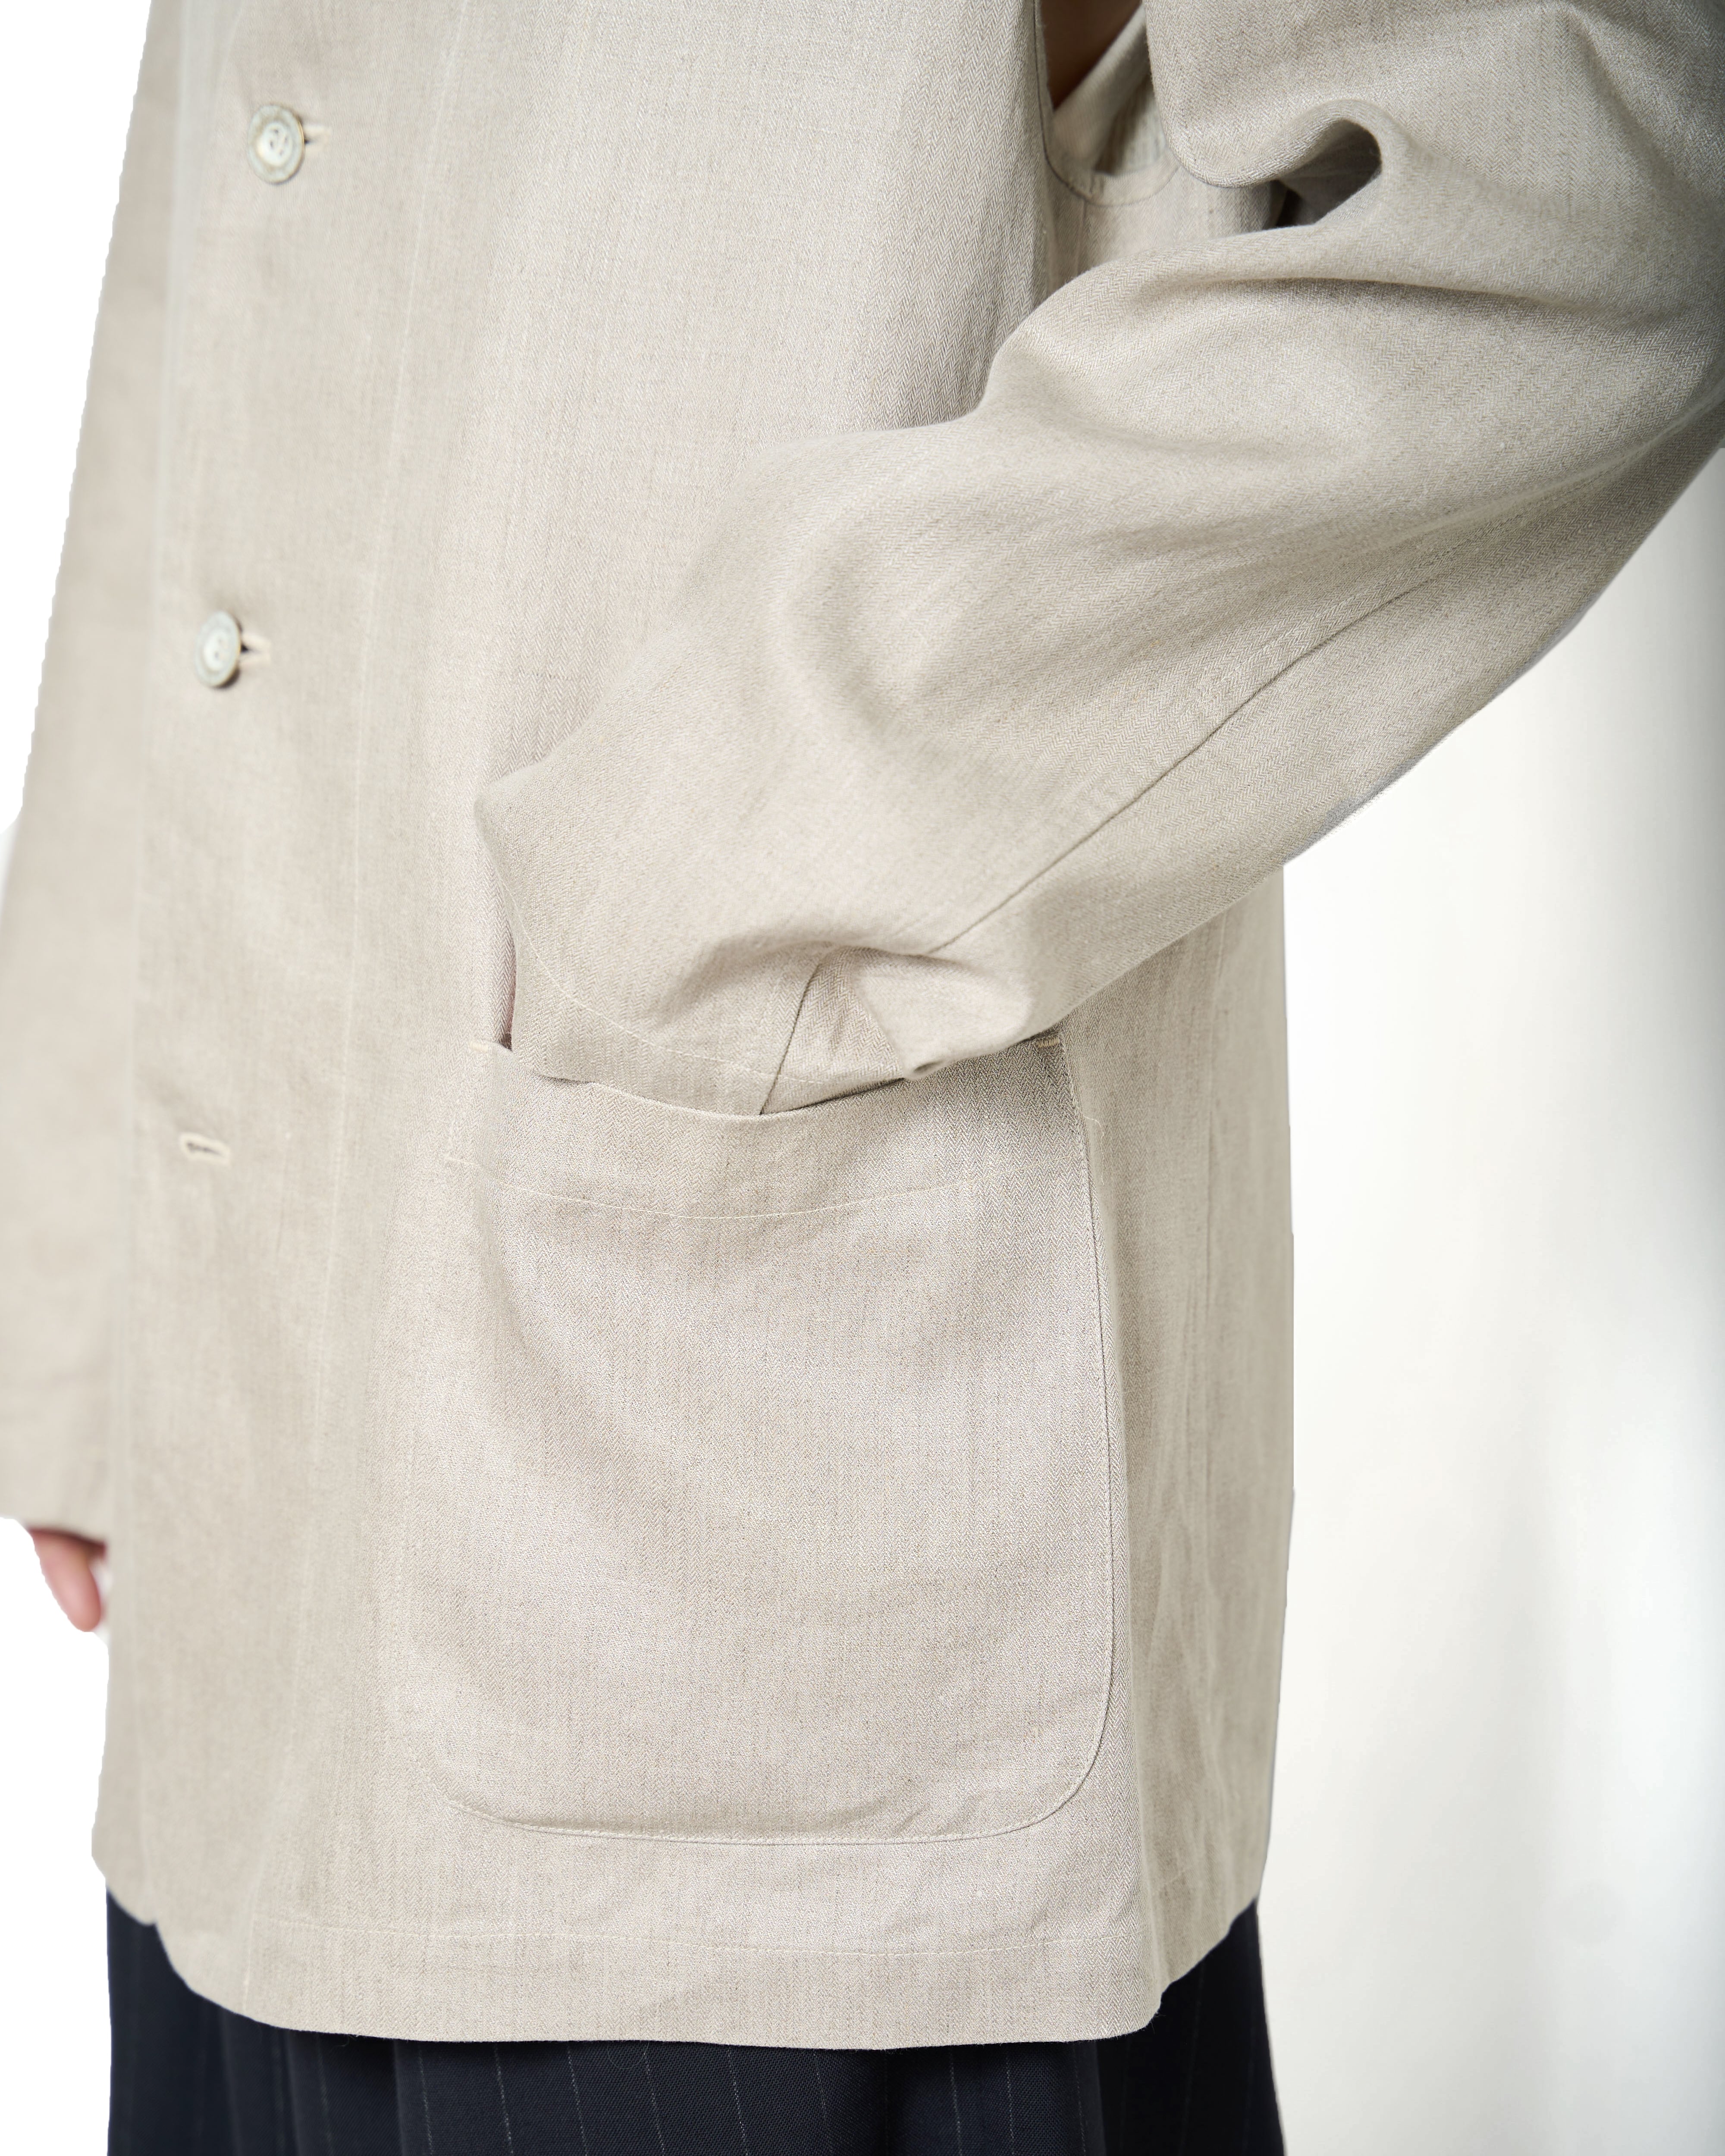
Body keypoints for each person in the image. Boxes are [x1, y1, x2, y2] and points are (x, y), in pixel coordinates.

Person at [3, 0, 1720, 2149]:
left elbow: (1575, 188)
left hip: (773, 1548)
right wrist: (85, 1250)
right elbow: (235, 191)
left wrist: (717, 857)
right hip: (245, 1465)